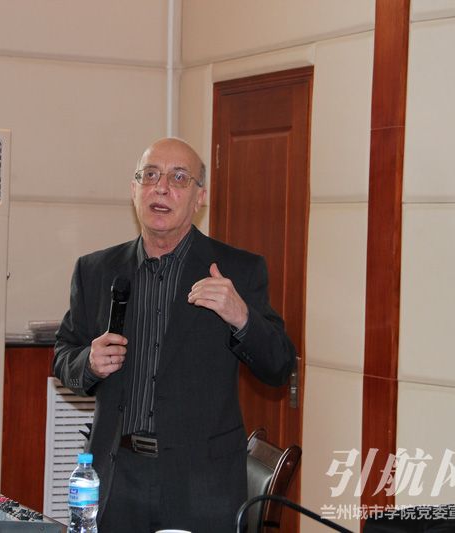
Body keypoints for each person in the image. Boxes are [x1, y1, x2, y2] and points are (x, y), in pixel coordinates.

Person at [53, 137, 296, 532]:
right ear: (134, 190)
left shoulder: (237, 269)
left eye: (179, 178)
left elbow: (279, 367)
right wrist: (88, 362)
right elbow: (64, 354)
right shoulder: (95, 270)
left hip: (203, 485)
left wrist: (242, 317)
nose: (161, 188)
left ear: (200, 197)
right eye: (150, 176)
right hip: (117, 477)